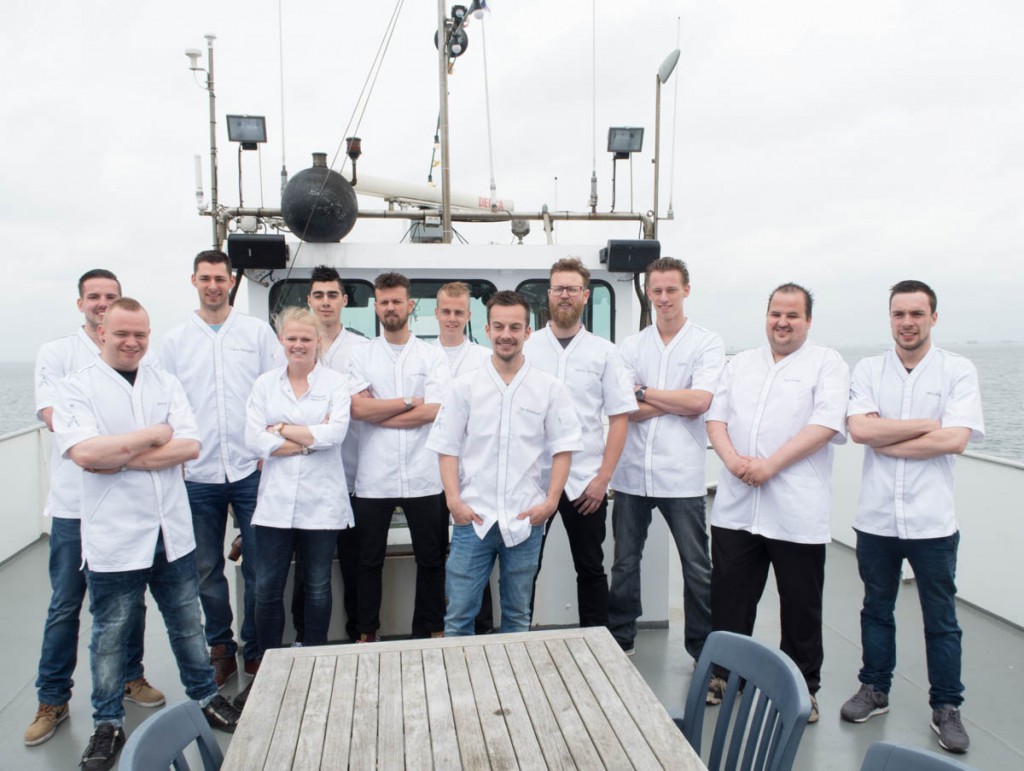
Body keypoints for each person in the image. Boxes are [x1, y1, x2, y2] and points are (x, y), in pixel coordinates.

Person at [53, 298, 240, 771]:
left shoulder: (165, 383)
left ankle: (205, 698)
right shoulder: (77, 388)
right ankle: (107, 723)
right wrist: (154, 435)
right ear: (101, 332)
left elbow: (190, 445)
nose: (132, 342)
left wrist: (119, 456)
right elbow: (84, 453)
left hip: (170, 532)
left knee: (187, 625)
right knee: (111, 636)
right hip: (115, 536)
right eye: (122, 334)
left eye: (140, 334)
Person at [840, 280, 983, 754]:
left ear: (933, 318)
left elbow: (956, 441)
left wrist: (888, 436)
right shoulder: (869, 369)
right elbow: (860, 430)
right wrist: (929, 423)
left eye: (917, 314)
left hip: (932, 522)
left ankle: (946, 708)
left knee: (941, 619)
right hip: (877, 519)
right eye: (899, 314)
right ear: (890, 318)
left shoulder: (957, 372)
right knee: (876, 610)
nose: (907, 323)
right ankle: (874, 689)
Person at [25, 270, 164, 747]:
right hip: (74, 505)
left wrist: (109, 446)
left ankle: (131, 676)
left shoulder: (140, 358)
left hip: (127, 502)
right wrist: (117, 444)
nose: (102, 304)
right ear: (80, 303)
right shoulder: (58, 355)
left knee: (129, 601)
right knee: (66, 603)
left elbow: (159, 424)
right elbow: (58, 422)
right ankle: (52, 699)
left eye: (110, 297)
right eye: (94, 298)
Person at [706, 283, 850, 724]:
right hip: (737, 504)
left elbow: (824, 424)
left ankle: (802, 687)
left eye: (792, 315)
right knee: (730, 595)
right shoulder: (741, 363)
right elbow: (716, 417)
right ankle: (725, 674)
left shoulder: (827, 364)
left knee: (800, 603)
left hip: (795, 508)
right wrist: (732, 461)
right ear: (765, 316)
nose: (782, 323)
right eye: (775, 314)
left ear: (808, 320)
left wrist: (769, 466)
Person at [428, 291, 583, 636]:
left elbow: (563, 449)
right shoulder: (465, 387)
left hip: (525, 520)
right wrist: (454, 501)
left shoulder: (548, 388)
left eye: (515, 327)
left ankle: (513, 688)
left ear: (528, 332)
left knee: (517, 616)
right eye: (499, 326)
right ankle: (461, 688)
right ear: (486, 329)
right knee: (458, 617)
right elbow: (446, 447)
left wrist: (550, 502)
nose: (506, 334)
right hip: (474, 519)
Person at [160, 250, 282, 685]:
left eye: (220, 278)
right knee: (206, 568)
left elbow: (275, 393)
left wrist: (269, 453)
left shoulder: (256, 333)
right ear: (193, 280)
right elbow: (164, 406)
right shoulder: (175, 341)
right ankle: (220, 645)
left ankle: (256, 646)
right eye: (205, 278)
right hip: (197, 472)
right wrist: (172, 458)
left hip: (252, 468)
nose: (214, 285)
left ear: (232, 281)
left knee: (260, 567)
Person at [607, 257, 724, 658]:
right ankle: (622, 640)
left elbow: (700, 401)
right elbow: (622, 407)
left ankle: (702, 651)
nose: (663, 297)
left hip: (682, 476)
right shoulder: (632, 346)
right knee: (624, 564)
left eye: (671, 289)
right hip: (631, 475)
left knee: (697, 569)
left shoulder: (706, 342)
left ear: (686, 290)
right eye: (656, 290)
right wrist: (670, 398)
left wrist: (644, 393)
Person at [524, 258, 636, 629]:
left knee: (590, 568)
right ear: (549, 294)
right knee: (525, 567)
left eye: (572, 288)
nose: (565, 295)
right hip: (534, 480)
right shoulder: (528, 347)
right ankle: (516, 637)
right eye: (558, 288)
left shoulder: (604, 352)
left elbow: (619, 417)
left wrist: (604, 478)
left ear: (586, 295)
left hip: (585, 480)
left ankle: (596, 643)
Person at [348, 272, 453, 641]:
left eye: (397, 301)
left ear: (410, 306)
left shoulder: (432, 355)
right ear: (375, 306)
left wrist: (382, 411)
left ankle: (430, 630)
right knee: (367, 561)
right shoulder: (360, 356)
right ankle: (366, 633)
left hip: (425, 475)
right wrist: (411, 400)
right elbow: (359, 411)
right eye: (383, 302)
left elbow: (437, 410)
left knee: (432, 558)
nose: (390, 308)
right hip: (374, 478)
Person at [245, 307, 353, 655]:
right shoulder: (265, 384)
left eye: (306, 339)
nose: (299, 344)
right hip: (275, 505)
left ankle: (315, 656)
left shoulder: (336, 383)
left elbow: (335, 434)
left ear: (318, 342)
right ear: (281, 340)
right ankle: (268, 660)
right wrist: (308, 440)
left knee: (318, 585)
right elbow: (253, 439)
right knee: (267, 587)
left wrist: (279, 430)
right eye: (292, 338)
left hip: (321, 503)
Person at [288, 266, 368, 647]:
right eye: (318, 295)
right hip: (307, 478)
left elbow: (363, 406)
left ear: (344, 301)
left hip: (352, 475)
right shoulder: (295, 347)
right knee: (308, 570)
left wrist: (329, 419)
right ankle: (305, 639)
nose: (325, 301)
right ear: (309, 300)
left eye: (332, 295)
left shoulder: (361, 348)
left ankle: (359, 636)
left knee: (356, 567)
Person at [433, 281, 494, 633]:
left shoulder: (485, 360)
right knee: (435, 557)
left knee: (476, 558)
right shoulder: (422, 356)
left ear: (469, 315)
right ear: (436, 313)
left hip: (473, 476)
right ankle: (439, 628)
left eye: (459, 312)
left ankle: (481, 628)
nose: (452, 318)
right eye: (446, 312)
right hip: (428, 474)